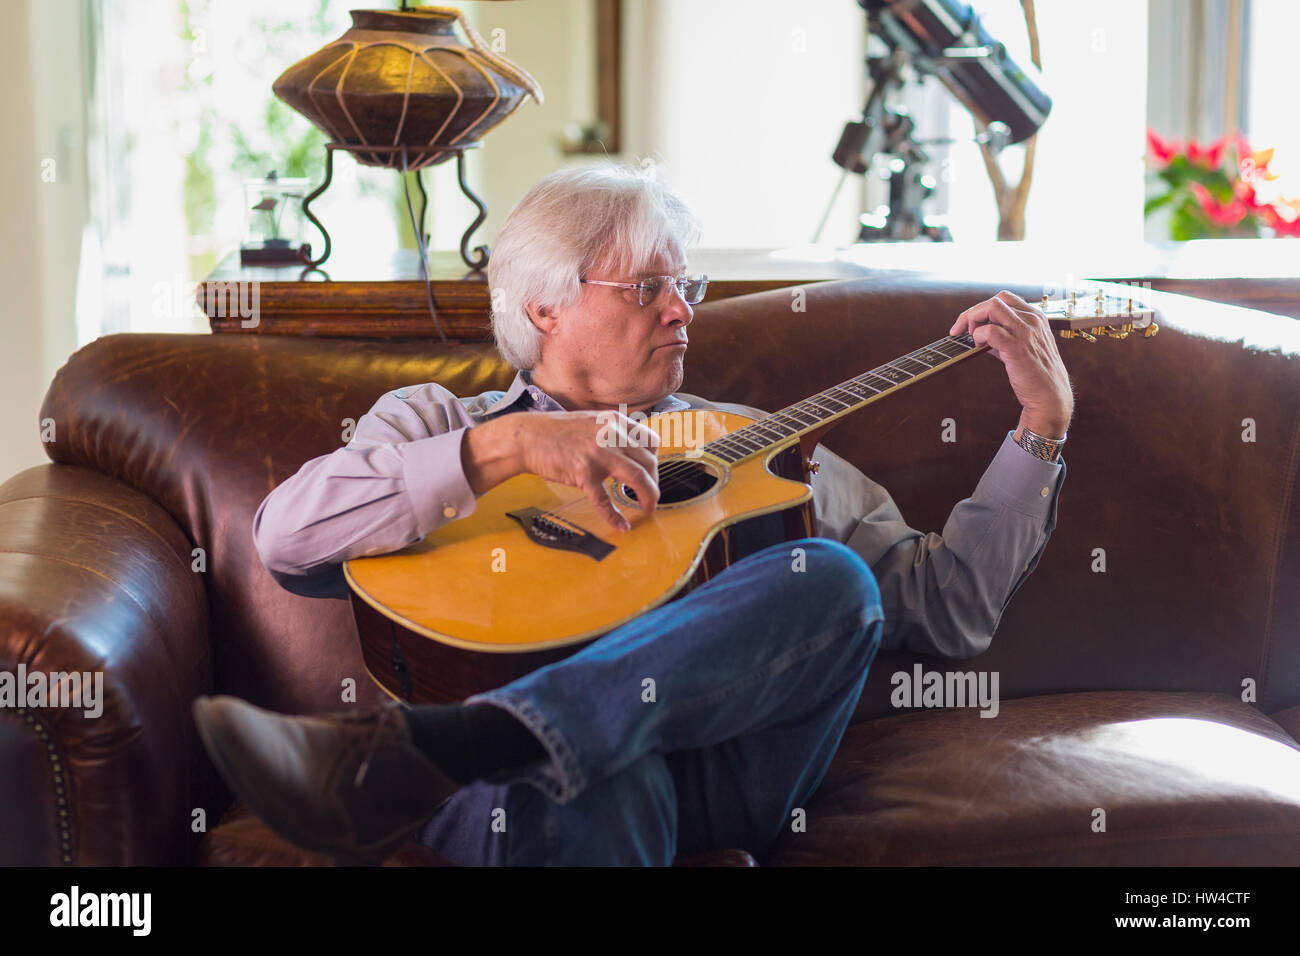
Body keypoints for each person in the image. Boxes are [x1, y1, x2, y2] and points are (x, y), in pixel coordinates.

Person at [193, 163, 1072, 867]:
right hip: (529, 801)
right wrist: (511, 449)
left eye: (684, 283)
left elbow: (949, 608)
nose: (683, 308)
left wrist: (1040, 428)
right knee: (592, 780)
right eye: (647, 285)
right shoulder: (435, 423)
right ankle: (517, 742)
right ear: (544, 306)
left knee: (831, 578)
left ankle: (459, 743)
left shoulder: (760, 452)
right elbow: (286, 539)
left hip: (717, 775)